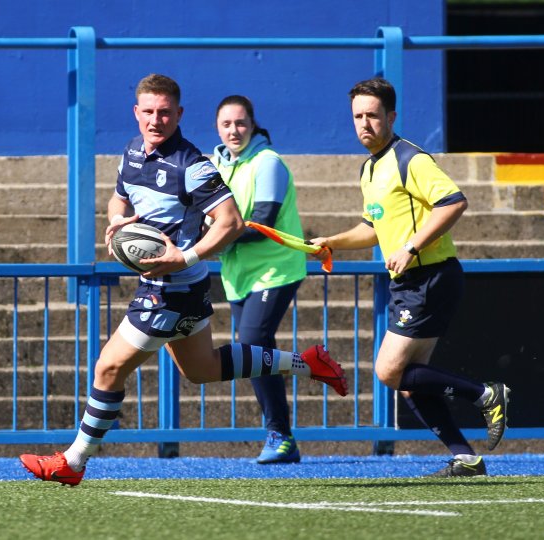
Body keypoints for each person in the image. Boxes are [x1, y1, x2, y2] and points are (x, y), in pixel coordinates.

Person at [20, 74, 347, 486]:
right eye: (149, 112)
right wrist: (116, 221)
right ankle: (307, 363)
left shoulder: (192, 165)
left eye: (165, 112)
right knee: (203, 369)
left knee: (108, 368)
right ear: (136, 113)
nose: (156, 120)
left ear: (179, 114)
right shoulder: (131, 153)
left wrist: (184, 255)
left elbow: (230, 223)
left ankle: (74, 461)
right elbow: (119, 197)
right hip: (169, 287)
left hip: (173, 289)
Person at [310, 77, 510, 477]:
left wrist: (411, 247)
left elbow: (453, 203)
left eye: (372, 115)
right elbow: (373, 227)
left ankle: (487, 394)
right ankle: (466, 458)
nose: (364, 123)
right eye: (357, 116)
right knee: (408, 383)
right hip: (410, 282)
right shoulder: (370, 169)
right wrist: (333, 240)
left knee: (388, 371)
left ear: (391, 116)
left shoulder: (410, 158)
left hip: (430, 276)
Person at [212, 95, 307, 464]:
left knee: (252, 343)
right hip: (239, 272)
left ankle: (279, 434)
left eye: (240, 123)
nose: (233, 130)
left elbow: (264, 220)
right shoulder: (216, 164)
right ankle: (283, 434)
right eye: (226, 124)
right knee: (252, 353)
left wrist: (211, 239)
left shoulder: (268, 163)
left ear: (252, 124)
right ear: (217, 128)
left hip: (277, 266)